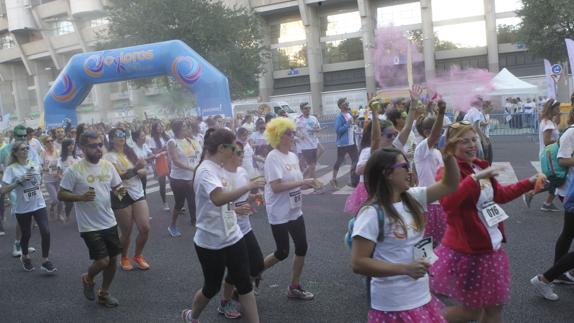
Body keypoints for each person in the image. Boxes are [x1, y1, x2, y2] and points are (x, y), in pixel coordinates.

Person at [429, 120, 537, 322]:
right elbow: (448, 203)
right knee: (473, 311)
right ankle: (423, 319)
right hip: (468, 251)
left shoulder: (479, 166)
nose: (471, 145)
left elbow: (500, 195)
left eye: (473, 140)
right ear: (451, 145)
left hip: (490, 246)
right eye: (464, 141)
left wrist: (528, 182)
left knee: (491, 310)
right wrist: (474, 180)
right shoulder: (447, 171)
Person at [351, 147, 459, 323]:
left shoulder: (412, 197)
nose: (410, 171)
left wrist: (448, 157)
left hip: (421, 297)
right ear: (387, 173)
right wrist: (405, 269)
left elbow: (450, 185)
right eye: (404, 166)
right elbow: (358, 263)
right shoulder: (371, 213)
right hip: (393, 305)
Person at [181, 129, 264, 323]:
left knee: (244, 284)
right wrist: (248, 186)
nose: (236, 151)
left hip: (233, 235)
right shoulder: (205, 170)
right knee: (211, 287)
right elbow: (217, 199)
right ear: (221, 148)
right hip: (210, 241)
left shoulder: (219, 168)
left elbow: (223, 204)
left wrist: (241, 204)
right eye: (233, 147)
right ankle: (191, 316)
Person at [58, 131, 126, 308]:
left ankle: (104, 293)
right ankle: (87, 278)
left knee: (112, 260)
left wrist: (127, 201)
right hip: (89, 226)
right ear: (82, 148)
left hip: (109, 221)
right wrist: (80, 197)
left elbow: (118, 187)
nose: (98, 148)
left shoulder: (108, 166)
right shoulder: (74, 170)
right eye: (93, 146)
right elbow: (61, 193)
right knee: (102, 261)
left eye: (100, 144)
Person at [262, 117, 317, 300]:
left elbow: (295, 183)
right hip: (279, 212)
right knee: (282, 252)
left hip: (295, 209)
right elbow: (276, 186)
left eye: (292, 132)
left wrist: (308, 184)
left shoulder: (292, 156)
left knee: (302, 247)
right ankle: (254, 273)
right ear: (277, 136)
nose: (292, 136)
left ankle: (294, 286)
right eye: (288, 133)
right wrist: (302, 182)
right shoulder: (272, 157)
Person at [216, 140, 266, 319]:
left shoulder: (243, 172)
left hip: (244, 227)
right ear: (228, 154)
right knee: (236, 270)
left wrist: (254, 198)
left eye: (243, 152)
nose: (242, 156)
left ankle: (239, 291)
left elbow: (244, 198)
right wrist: (235, 210)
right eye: (238, 153)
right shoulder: (219, 175)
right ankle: (225, 302)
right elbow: (215, 207)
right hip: (228, 229)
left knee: (258, 264)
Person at [2, 142, 56, 273]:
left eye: (27, 148)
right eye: (22, 149)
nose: (26, 150)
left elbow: (39, 181)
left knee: (46, 231)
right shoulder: (11, 169)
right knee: (26, 234)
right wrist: (19, 181)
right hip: (22, 207)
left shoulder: (34, 164)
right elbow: (3, 189)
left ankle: (45, 261)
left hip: (38, 203)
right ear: (15, 152)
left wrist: (39, 178)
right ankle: (25, 256)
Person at [105, 128, 151, 271]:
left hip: (137, 190)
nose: (122, 137)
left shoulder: (131, 152)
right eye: (118, 135)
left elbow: (144, 170)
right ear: (111, 139)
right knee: (127, 231)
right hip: (120, 192)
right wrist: (136, 170)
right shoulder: (108, 157)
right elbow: (117, 177)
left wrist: (140, 171)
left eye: (124, 134)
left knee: (145, 228)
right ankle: (124, 257)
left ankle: (138, 255)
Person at [414, 100, 447, 246]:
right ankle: (424, 269)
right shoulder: (421, 149)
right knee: (426, 243)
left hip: (441, 203)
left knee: (442, 243)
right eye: (438, 131)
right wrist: (441, 113)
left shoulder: (436, 152)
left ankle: (437, 268)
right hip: (428, 204)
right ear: (427, 132)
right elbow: (434, 136)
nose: (440, 135)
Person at [524, 99, 562, 211]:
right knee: (557, 179)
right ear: (552, 109)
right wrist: (561, 142)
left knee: (556, 179)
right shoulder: (548, 124)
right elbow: (547, 141)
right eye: (557, 108)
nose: (559, 110)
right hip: (549, 155)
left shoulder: (547, 121)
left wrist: (557, 117)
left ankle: (547, 203)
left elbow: (555, 128)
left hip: (548, 154)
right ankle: (531, 194)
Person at [167, 120, 201, 235]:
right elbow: (176, 161)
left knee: (193, 200)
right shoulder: (172, 142)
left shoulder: (189, 140)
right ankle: (172, 225)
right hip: (178, 179)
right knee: (179, 203)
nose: (188, 129)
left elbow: (196, 156)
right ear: (179, 129)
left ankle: (196, 220)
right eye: (185, 127)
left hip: (190, 177)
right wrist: (192, 169)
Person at [331, 97, 359, 188]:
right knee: (339, 161)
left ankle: (354, 180)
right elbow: (338, 130)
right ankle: (333, 179)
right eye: (345, 103)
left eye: (347, 102)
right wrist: (348, 123)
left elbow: (353, 125)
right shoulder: (339, 117)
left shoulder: (350, 113)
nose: (347, 104)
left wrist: (355, 122)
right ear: (340, 106)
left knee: (356, 160)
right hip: (343, 143)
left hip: (352, 141)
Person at [295, 102, 321, 179]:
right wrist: (299, 136)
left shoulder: (313, 118)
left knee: (313, 166)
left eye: (309, 108)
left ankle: (302, 179)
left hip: (314, 145)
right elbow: (293, 131)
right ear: (301, 110)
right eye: (305, 108)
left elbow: (318, 129)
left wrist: (317, 130)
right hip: (305, 146)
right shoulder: (298, 120)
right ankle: (315, 184)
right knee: (311, 165)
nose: (308, 110)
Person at [149, 121, 171, 211]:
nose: (161, 127)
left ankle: (179, 203)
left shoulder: (166, 136)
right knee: (162, 184)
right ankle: (164, 203)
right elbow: (154, 153)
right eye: (158, 126)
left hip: (170, 161)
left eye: (161, 126)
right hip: (160, 162)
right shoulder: (153, 140)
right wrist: (164, 148)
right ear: (155, 128)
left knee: (173, 182)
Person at [40, 135, 62, 221]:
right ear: (44, 143)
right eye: (48, 141)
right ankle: (52, 207)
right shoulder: (43, 153)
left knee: (61, 199)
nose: (50, 143)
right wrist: (44, 168)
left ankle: (59, 214)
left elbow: (61, 163)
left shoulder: (57, 151)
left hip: (58, 178)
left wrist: (58, 172)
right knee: (55, 199)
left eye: (51, 140)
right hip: (48, 180)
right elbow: (40, 166)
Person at [58, 138, 79, 223]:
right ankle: (67, 214)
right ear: (65, 147)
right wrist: (63, 178)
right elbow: (58, 173)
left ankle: (81, 218)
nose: (71, 147)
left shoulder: (78, 158)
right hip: (67, 185)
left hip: (77, 185)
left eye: (73, 144)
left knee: (79, 203)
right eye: (69, 145)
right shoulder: (60, 160)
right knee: (69, 204)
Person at [131, 128, 155, 196]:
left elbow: (152, 155)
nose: (144, 137)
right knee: (139, 191)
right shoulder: (133, 148)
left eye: (144, 135)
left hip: (144, 172)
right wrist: (148, 158)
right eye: (142, 136)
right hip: (137, 173)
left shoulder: (144, 145)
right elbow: (137, 161)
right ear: (136, 138)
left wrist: (145, 159)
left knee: (143, 189)